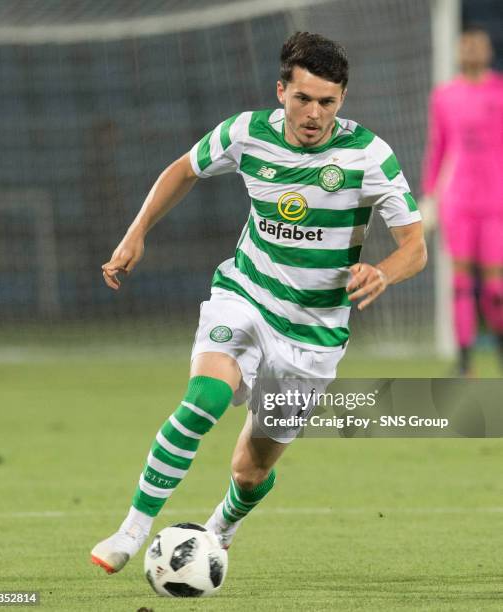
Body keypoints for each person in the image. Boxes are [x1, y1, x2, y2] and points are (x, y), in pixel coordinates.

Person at [91, 32, 427, 574]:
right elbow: (182, 169)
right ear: (281, 91)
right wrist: (136, 233)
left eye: (327, 102)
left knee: (250, 470)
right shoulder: (245, 132)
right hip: (245, 294)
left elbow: (416, 247)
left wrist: (382, 272)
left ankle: (220, 529)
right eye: (303, 98)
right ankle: (132, 530)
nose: (313, 113)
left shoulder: (368, 154)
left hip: (313, 333)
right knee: (204, 396)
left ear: (341, 100)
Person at [420, 27, 503, 376]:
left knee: (496, 289)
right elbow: (437, 147)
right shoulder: (444, 95)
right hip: (457, 202)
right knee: (460, 284)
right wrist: (428, 197)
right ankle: (465, 363)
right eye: (464, 44)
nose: (470, 49)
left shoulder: (499, 91)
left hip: (496, 201)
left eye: (477, 44)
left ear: (488, 50)